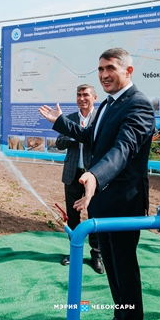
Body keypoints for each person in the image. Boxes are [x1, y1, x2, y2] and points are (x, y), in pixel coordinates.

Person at [39, 48, 154, 320]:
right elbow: (91, 136)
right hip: (101, 200)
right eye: (100, 69)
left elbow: (123, 149)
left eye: (110, 68)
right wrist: (61, 122)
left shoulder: (138, 104)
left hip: (124, 202)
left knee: (124, 267)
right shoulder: (108, 104)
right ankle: (120, 315)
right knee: (112, 267)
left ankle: (131, 318)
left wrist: (95, 175)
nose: (104, 75)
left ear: (128, 71)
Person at [55, 84, 104, 274]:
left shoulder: (100, 118)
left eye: (86, 95)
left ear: (94, 97)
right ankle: (75, 252)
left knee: (95, 215)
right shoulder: (70, 119)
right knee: (73, 215)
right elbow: (59, 142)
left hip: (95, 175)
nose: (82, 98)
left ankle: (96, 255)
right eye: (79, 95)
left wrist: (86, 135)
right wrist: (76, 136)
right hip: (72, 174)